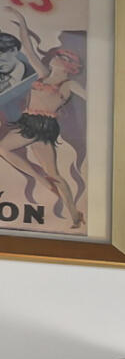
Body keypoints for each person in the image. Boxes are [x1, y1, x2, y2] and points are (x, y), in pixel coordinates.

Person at [2, 44, 82, 225]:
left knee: (3, 147)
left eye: (61, 56)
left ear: (67, 65)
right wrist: (20, 20)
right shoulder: (43, 74)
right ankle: (75, 214)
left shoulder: (69, 84)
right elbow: (29, 51)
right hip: (30, 121)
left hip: (41, 124)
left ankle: (42, 181)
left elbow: (92, 97)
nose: (54, 56)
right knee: (53, 172)